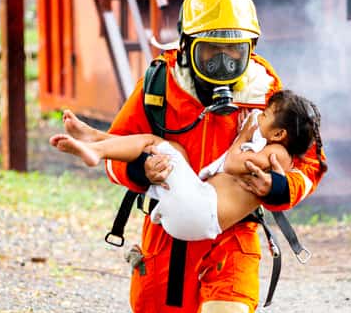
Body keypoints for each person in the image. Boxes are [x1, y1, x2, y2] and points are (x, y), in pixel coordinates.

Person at [65, 0, 326, 313]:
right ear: (188, 49)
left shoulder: (270, 96)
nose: (227, 68)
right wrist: (145, 172)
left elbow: (311, 163)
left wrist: (275, 184)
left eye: (237, 55)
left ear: (251, 50)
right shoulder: (160, 89)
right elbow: (125, 153)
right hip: (171, 230)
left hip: (235, 232)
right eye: (214, 56)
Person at [51, 89, 325, 242]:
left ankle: (97, 148)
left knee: (158, 145)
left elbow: (231, 164)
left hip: (201, 213)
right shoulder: (164, 73)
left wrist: (245, 134)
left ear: (280, 134)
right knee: (169, 148)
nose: (258, 115)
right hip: (193, 205)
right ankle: (96, 139)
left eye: (264, 115)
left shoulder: (276, 153)